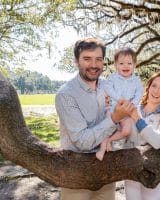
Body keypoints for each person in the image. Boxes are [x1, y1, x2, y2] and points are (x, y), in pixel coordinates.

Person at [55, 37, 134, 200]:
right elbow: (82, 141)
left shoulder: (108, 86)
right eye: (87, 59)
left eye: (98, 59)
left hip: (105, 171)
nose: (94, 65)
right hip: (76, 174)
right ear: (76, 61)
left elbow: (123, 122)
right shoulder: (66, 95)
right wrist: (114, 118)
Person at [124, 71, 160, 200]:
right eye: (154, 86)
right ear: (148, 87)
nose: (156, 91)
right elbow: (123, 133)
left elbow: (158, 141)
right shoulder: (134, 107)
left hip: (154, 169)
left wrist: (138, 120)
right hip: (131, 167)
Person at [96, 47, 144, 161]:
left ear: (134, 65)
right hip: (113, 110)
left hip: (127, 112)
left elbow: (140, 92)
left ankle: (110, 140)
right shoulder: (113, 77)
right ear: (116, 65)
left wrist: (133, 103)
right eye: (121, 63)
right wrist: (119, 98)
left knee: (127, 130)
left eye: (129, 63)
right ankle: (102, 149)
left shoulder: (136, 80)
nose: (125, 66)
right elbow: (107, 88)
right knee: (106, 130)